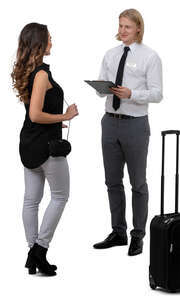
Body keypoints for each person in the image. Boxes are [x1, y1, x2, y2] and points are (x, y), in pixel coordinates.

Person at [93, 9, 163, 256]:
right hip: (109, 122)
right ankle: (118, 232)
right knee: (112, 181)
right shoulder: (110, 55)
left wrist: (132, 94)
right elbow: (103, 87)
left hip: (135, 124)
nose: (122, 31)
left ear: (138, 29)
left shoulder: (150, 57)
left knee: (138, 183)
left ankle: (138, 235)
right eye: (120, 26)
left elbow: (157, 94)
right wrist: (102, 88)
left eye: (127, 27)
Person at [11, 23, 79, 276]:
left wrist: (58, 119)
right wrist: (66, 115)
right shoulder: (40, 74)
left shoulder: (28, 72)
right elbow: (36, 114)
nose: (52, 42)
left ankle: (32, 255)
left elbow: (35, 115)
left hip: (29, 143)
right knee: (60, 196)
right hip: (47, 147)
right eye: (49, 39)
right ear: (40, 43)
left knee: (31, 200)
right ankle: (39, 250)